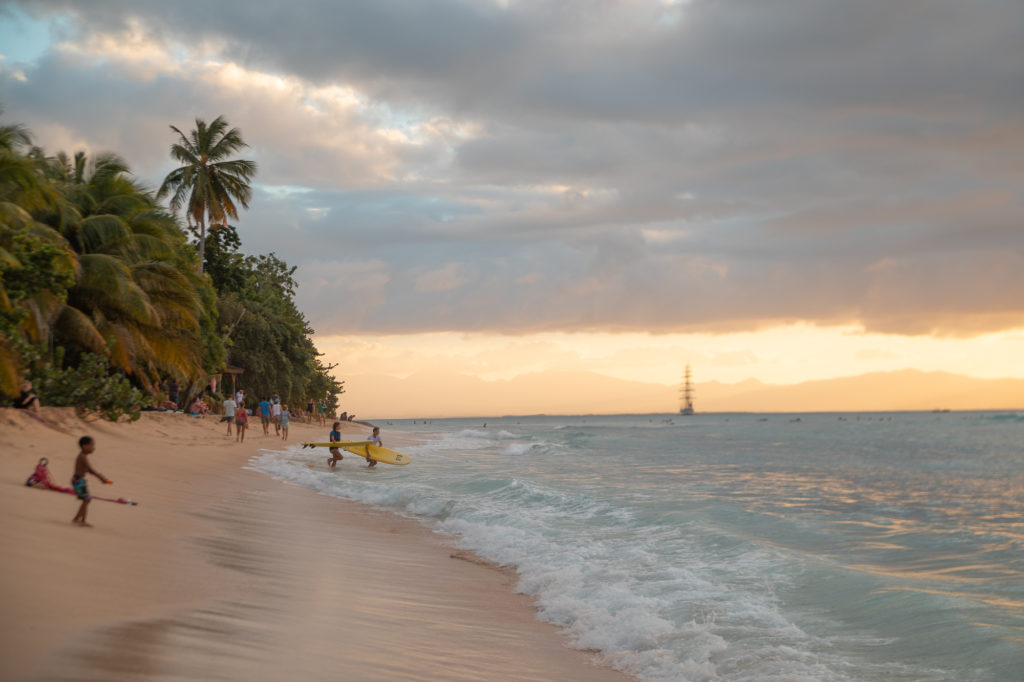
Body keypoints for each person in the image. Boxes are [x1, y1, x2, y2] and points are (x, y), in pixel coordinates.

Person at [71, 435, 112, 527]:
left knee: (87, 500)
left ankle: (77, 519)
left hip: (79, 480)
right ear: (85, 446)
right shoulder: (82, 457)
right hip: (78, 481)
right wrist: (101, 477)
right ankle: (82, 521)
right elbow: (90, 469)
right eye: (92, 445)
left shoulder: (83, 456)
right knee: (87, 499)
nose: (93, 448)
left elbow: (88, 470)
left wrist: (101, 478)